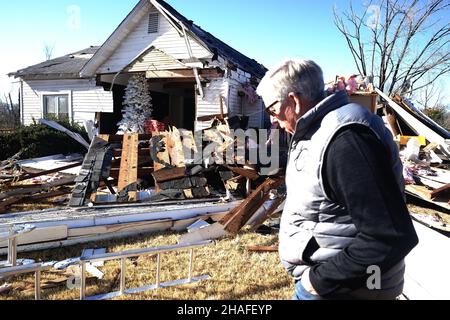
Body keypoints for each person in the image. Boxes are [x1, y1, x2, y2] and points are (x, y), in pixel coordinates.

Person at [256, 59, 419, 300]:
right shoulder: (316, 129)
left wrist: (318, 281)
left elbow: (390, 237)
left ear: (294, 100)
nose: (271, 119)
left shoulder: (347, 140)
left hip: (345, 290)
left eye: (272, 110)